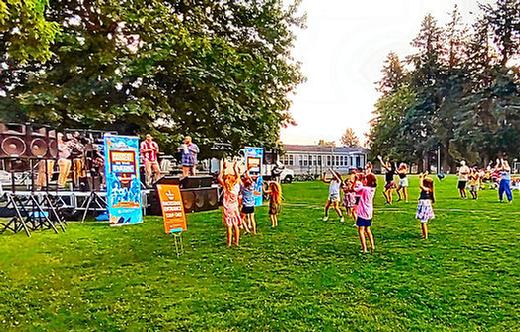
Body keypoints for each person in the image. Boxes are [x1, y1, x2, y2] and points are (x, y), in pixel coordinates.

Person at [218, 160, 241, 247]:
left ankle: (229, 243)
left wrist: (223, 169)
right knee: (235, 225)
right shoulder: (236, 187)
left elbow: (219, 178)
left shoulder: (225, 188)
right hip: (234, 208)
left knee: (229, 226)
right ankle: (237, 242)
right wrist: (235, 167)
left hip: (227, 209)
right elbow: (238, 177)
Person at [353, 171, 377, 254]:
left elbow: (353, 189)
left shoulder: (364, 189)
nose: (364, 180)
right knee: (368, 229)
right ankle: (372, 245)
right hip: (369, 212)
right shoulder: (372, 189)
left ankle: (364, 248)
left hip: (362, 212)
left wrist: (355, 180)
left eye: (365, 179)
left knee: (361, 230)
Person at [416, 172, 435, 239]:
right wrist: (424, 175)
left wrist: (421, 178)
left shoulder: (427, 189)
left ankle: (425, 236)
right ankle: (424, 234)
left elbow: (421, 186)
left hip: (424, 204)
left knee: (423, 221)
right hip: (425, 204)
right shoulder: (430, 188)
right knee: (423, 221)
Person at [240, 168, 257, 234]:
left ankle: (247, 230)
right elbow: (251, 181)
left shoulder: (243, 188)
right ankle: (254, 231)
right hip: (251, 205)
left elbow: (240, 181)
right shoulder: (252, 187)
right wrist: (247, 173)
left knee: (241, 218)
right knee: (252, 218)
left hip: (245, 205)